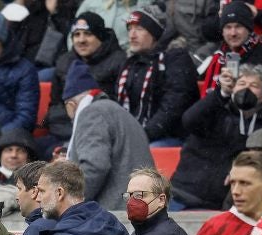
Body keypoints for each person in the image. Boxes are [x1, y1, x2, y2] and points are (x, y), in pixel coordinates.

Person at [170, 63, 262, 210]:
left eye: (254, 85)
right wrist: (220, 94)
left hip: (220, 204)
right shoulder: (215, 109)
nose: (246, 89)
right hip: (182, 193)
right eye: (241, 83)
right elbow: (189, 120)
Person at [61, 60, 154, 210]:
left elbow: (95, 166)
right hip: (140, 206)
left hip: (116, 211)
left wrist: (67, 203)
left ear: (70, 105)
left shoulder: (91, 113)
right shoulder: (119, 112)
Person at [117, 5, 198, 146]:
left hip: (173, 137)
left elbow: (173, 105)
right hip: (139, 136)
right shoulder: (130, 65)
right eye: (130, 29)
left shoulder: (175, 59)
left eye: (139, 29)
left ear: (154, 33)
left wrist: (144, 135)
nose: (132, 35)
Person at [45, 12, 126, 144]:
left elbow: (118, 108)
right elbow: (54, 107)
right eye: (76, 35)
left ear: (100, 37)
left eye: (88, 34)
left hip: (103, 135)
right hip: (67, 131)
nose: (81, 40)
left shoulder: (119, 62)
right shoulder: (64, 62)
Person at [200, 2, 262, 97]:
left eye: (238, 26)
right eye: (228, 27)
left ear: (249, 29)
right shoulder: (218, 58)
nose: (233, 33)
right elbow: (203, 107)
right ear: (222, 32)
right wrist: (223, 93)